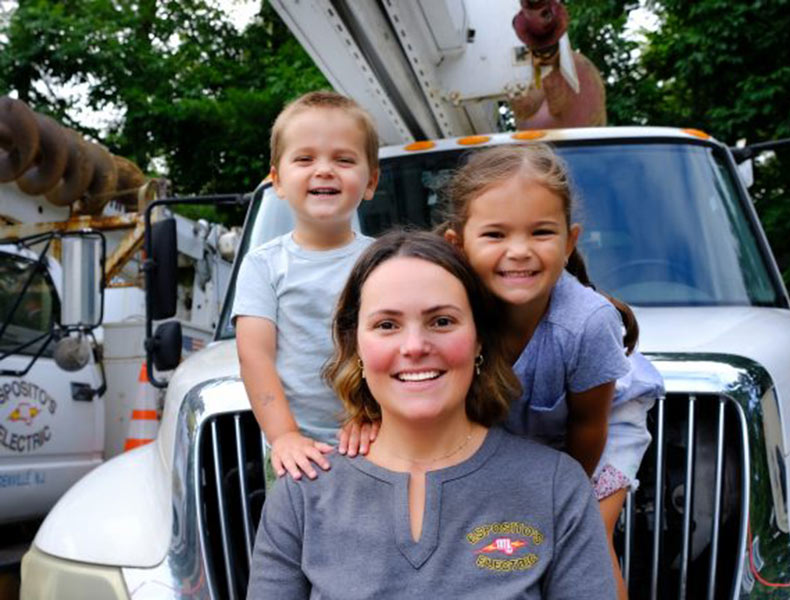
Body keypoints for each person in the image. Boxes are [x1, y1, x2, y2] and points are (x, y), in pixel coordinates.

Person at [247, 230, 616, 599]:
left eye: (441, 321)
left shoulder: (556, 488)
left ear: (479, 340)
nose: (415, 347)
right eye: (386, 325)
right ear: (355, 344)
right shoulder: (302, 497)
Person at [442, 144, 663, 599]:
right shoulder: (445, 311)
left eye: (541, 232)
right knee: (496, 548)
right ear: (457, 245)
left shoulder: (587, 323)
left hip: (600, 432)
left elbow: (589, 425)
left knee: (586, 541)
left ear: (570, 241)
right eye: (495, 235)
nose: (519, 252)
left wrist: (562, 496)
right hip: (514, 436)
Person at [233, 91, 380, 481]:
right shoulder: (263, 265)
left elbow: (401, 349)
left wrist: (375, 416)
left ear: (371, 181)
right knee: (297, 540)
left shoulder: (385, 261)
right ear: (278, 181)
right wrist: (284, 436)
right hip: (297, 453)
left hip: (380, 438)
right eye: (305, 158)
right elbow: (255, 357)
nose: (325, 170)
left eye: (344, 159)